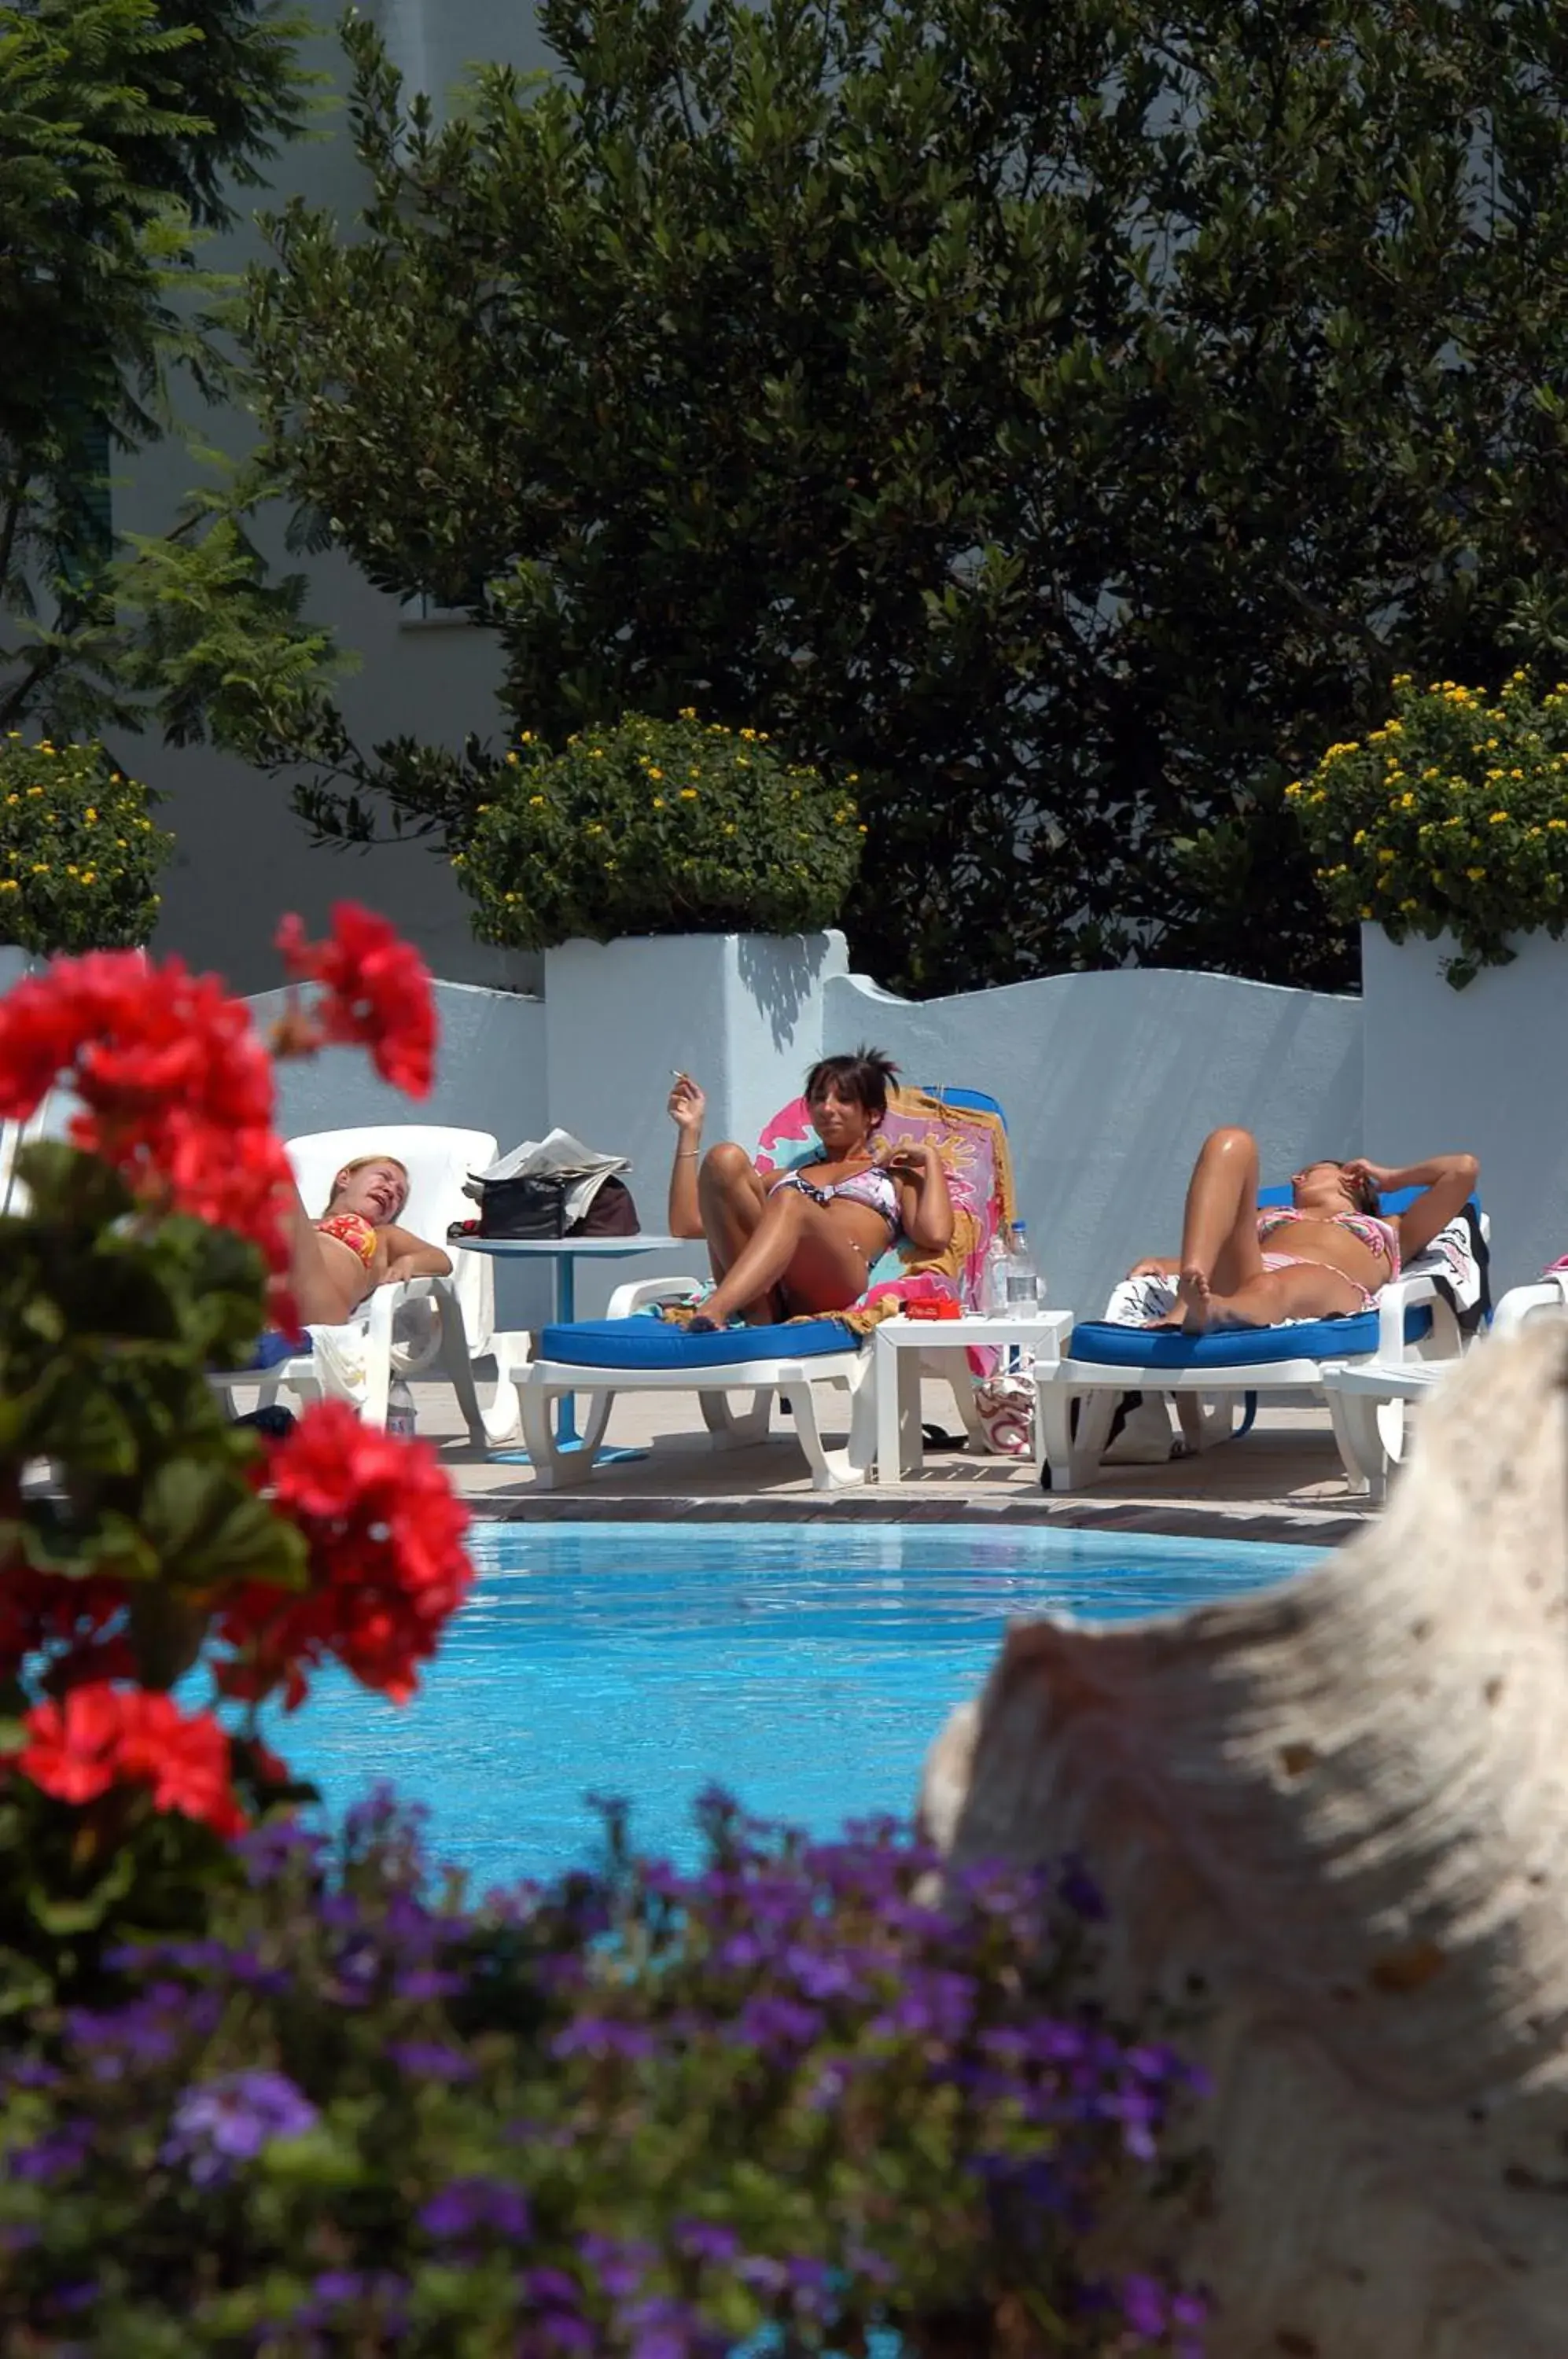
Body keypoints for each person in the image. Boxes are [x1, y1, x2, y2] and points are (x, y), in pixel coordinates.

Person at [666, 1047, 954, 1327]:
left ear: (873, 1115)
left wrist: (931, 1160)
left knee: (790, 1202)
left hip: (837, 1280)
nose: (827, 1108)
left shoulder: (893, 1175)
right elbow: (686, 1225)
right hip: (774, 1291)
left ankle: (715, 1309)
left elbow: (935, 1235)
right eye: (819, 1099)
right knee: (724, 1159)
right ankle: (759, 1311)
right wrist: (690, 1131)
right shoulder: (788, 1176)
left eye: (844, 1099)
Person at [1130, 1127, 1479, 1333]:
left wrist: (1390, 1178)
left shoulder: (1393, 1228)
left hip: (1327, 1282)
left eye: (1310, 1171)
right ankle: (1187, 1308)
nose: (1296, 1178)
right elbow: (1223, 1242)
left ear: (1351, 1179)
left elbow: (1463, 1170)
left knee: (1277, 1284)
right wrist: (1166, 1264)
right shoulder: (1270, 1213)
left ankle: (1217, 1312)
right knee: (1232, 1140)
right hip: (1252, 1273)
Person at [282, 1152, 453, 1328]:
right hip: (269, 1300)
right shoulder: (304, 1223)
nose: (390, 1191)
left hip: (319, 1307)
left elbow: (441, 1260)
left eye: (399, 1195)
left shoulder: (383, 1234)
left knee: (277, 1178)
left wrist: (408, 1262)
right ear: (344, 1178)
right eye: (384, 1177)